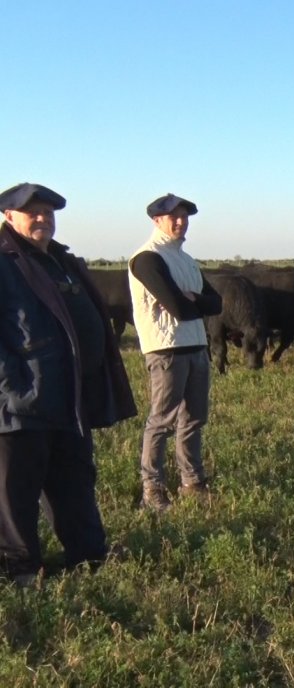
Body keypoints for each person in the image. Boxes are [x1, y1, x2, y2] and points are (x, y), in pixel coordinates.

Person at [0, 182, 136, 585]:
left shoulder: (60, 261)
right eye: (32, 212)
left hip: (70, 396)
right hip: (21, 401)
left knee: (74, 479)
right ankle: (19, 569)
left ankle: (88, 557)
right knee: (16, 489)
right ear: (8, 216)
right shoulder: (5, 262)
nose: (43, 218)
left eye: (48, 212)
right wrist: (12, 386)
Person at [129, 193, 221, 513]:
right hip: (166, 348)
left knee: (194, 418)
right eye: (173, 217)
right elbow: (179, 308)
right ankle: (152, 488)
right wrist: (194, 301)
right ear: (157, 220)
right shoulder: (146, 258)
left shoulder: (186, 259)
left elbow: (217, 303)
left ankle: (192, 482)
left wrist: (191, 298)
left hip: (196, 345)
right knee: (162, 421)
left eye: (184, 216)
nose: (180, 222)